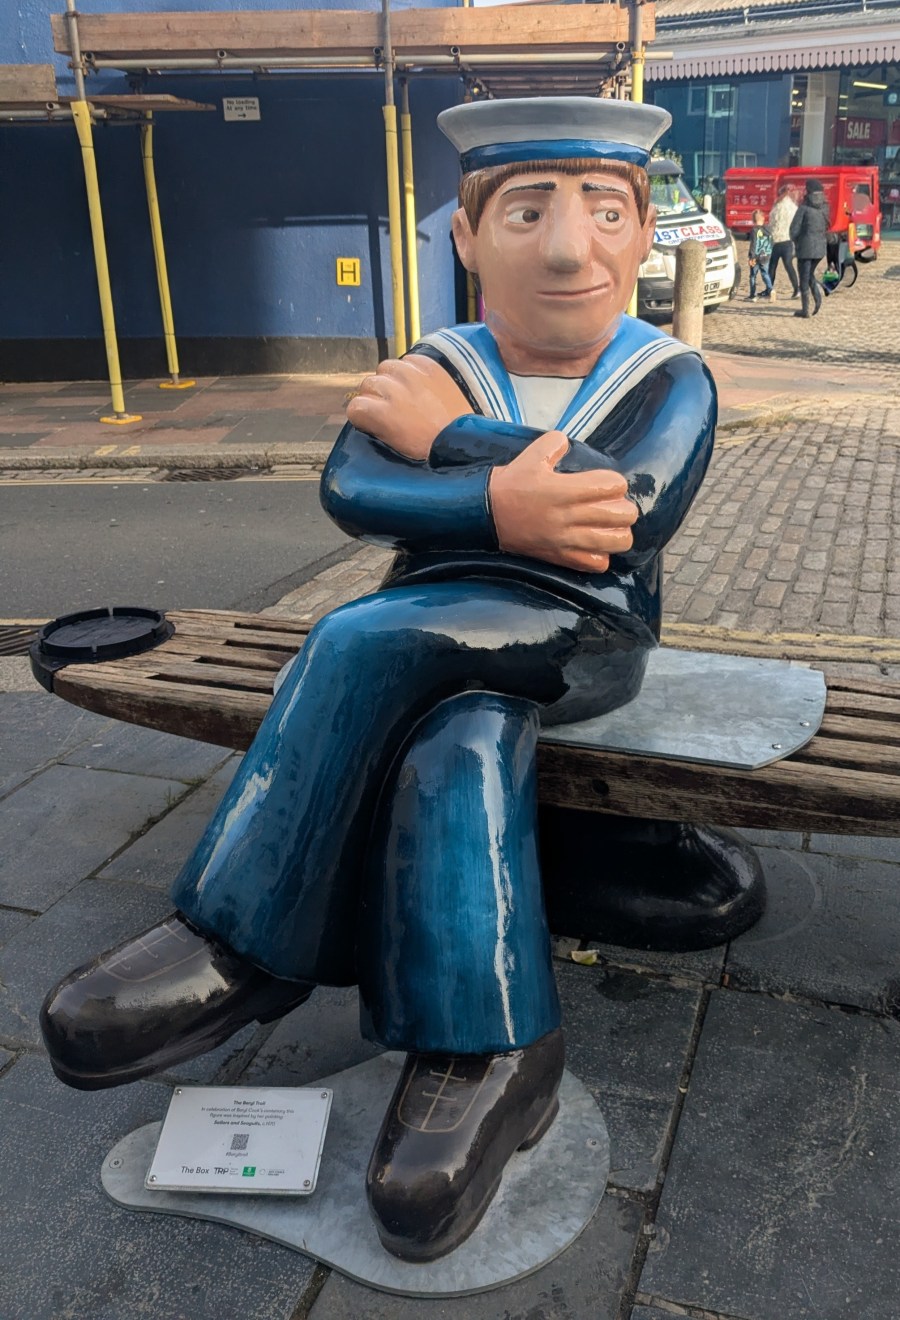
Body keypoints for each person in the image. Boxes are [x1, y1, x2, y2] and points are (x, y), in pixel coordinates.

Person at [39, 98, 759, 1264]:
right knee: (455, 741)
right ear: (467, 237)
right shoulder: (438, 363)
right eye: (525, 213)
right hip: (442, 629)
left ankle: (245, 943)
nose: (566, 248)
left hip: (580, 633)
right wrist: (499, 495)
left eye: (602, 212)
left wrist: (458, 451)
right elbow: (355, 490)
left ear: (642, 235)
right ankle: (494, 1049)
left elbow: (616, 514)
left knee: (355, 638)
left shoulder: (667, 377)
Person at [790, 179, 830, 318]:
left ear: (808, 191)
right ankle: (817, 299)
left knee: (804, 277)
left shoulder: (804, 208)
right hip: (820, 248)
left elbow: (794, 230)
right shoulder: (825, 207)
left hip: (805, 248)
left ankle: (805, 310)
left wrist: (796, 241)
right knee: (809, 274)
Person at [767, 185, 799, 298]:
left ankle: (769, 290)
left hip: (775, 240)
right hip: (787, 241)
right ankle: (797, 289)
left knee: (772, 266)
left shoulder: (776, 206)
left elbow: (771, 223)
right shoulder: (793, 208)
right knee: (789, 266)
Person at [747, 209, 774, 301]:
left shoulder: (754, 230)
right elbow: (771, 242)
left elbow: (754, 244)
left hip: (756, 256)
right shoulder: (768, 230)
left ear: (753, 220)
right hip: (766, 256)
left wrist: (751, 257)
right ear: (763, 218)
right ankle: (771, 290)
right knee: (765, 273)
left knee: (753, 276)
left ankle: (753, 295)